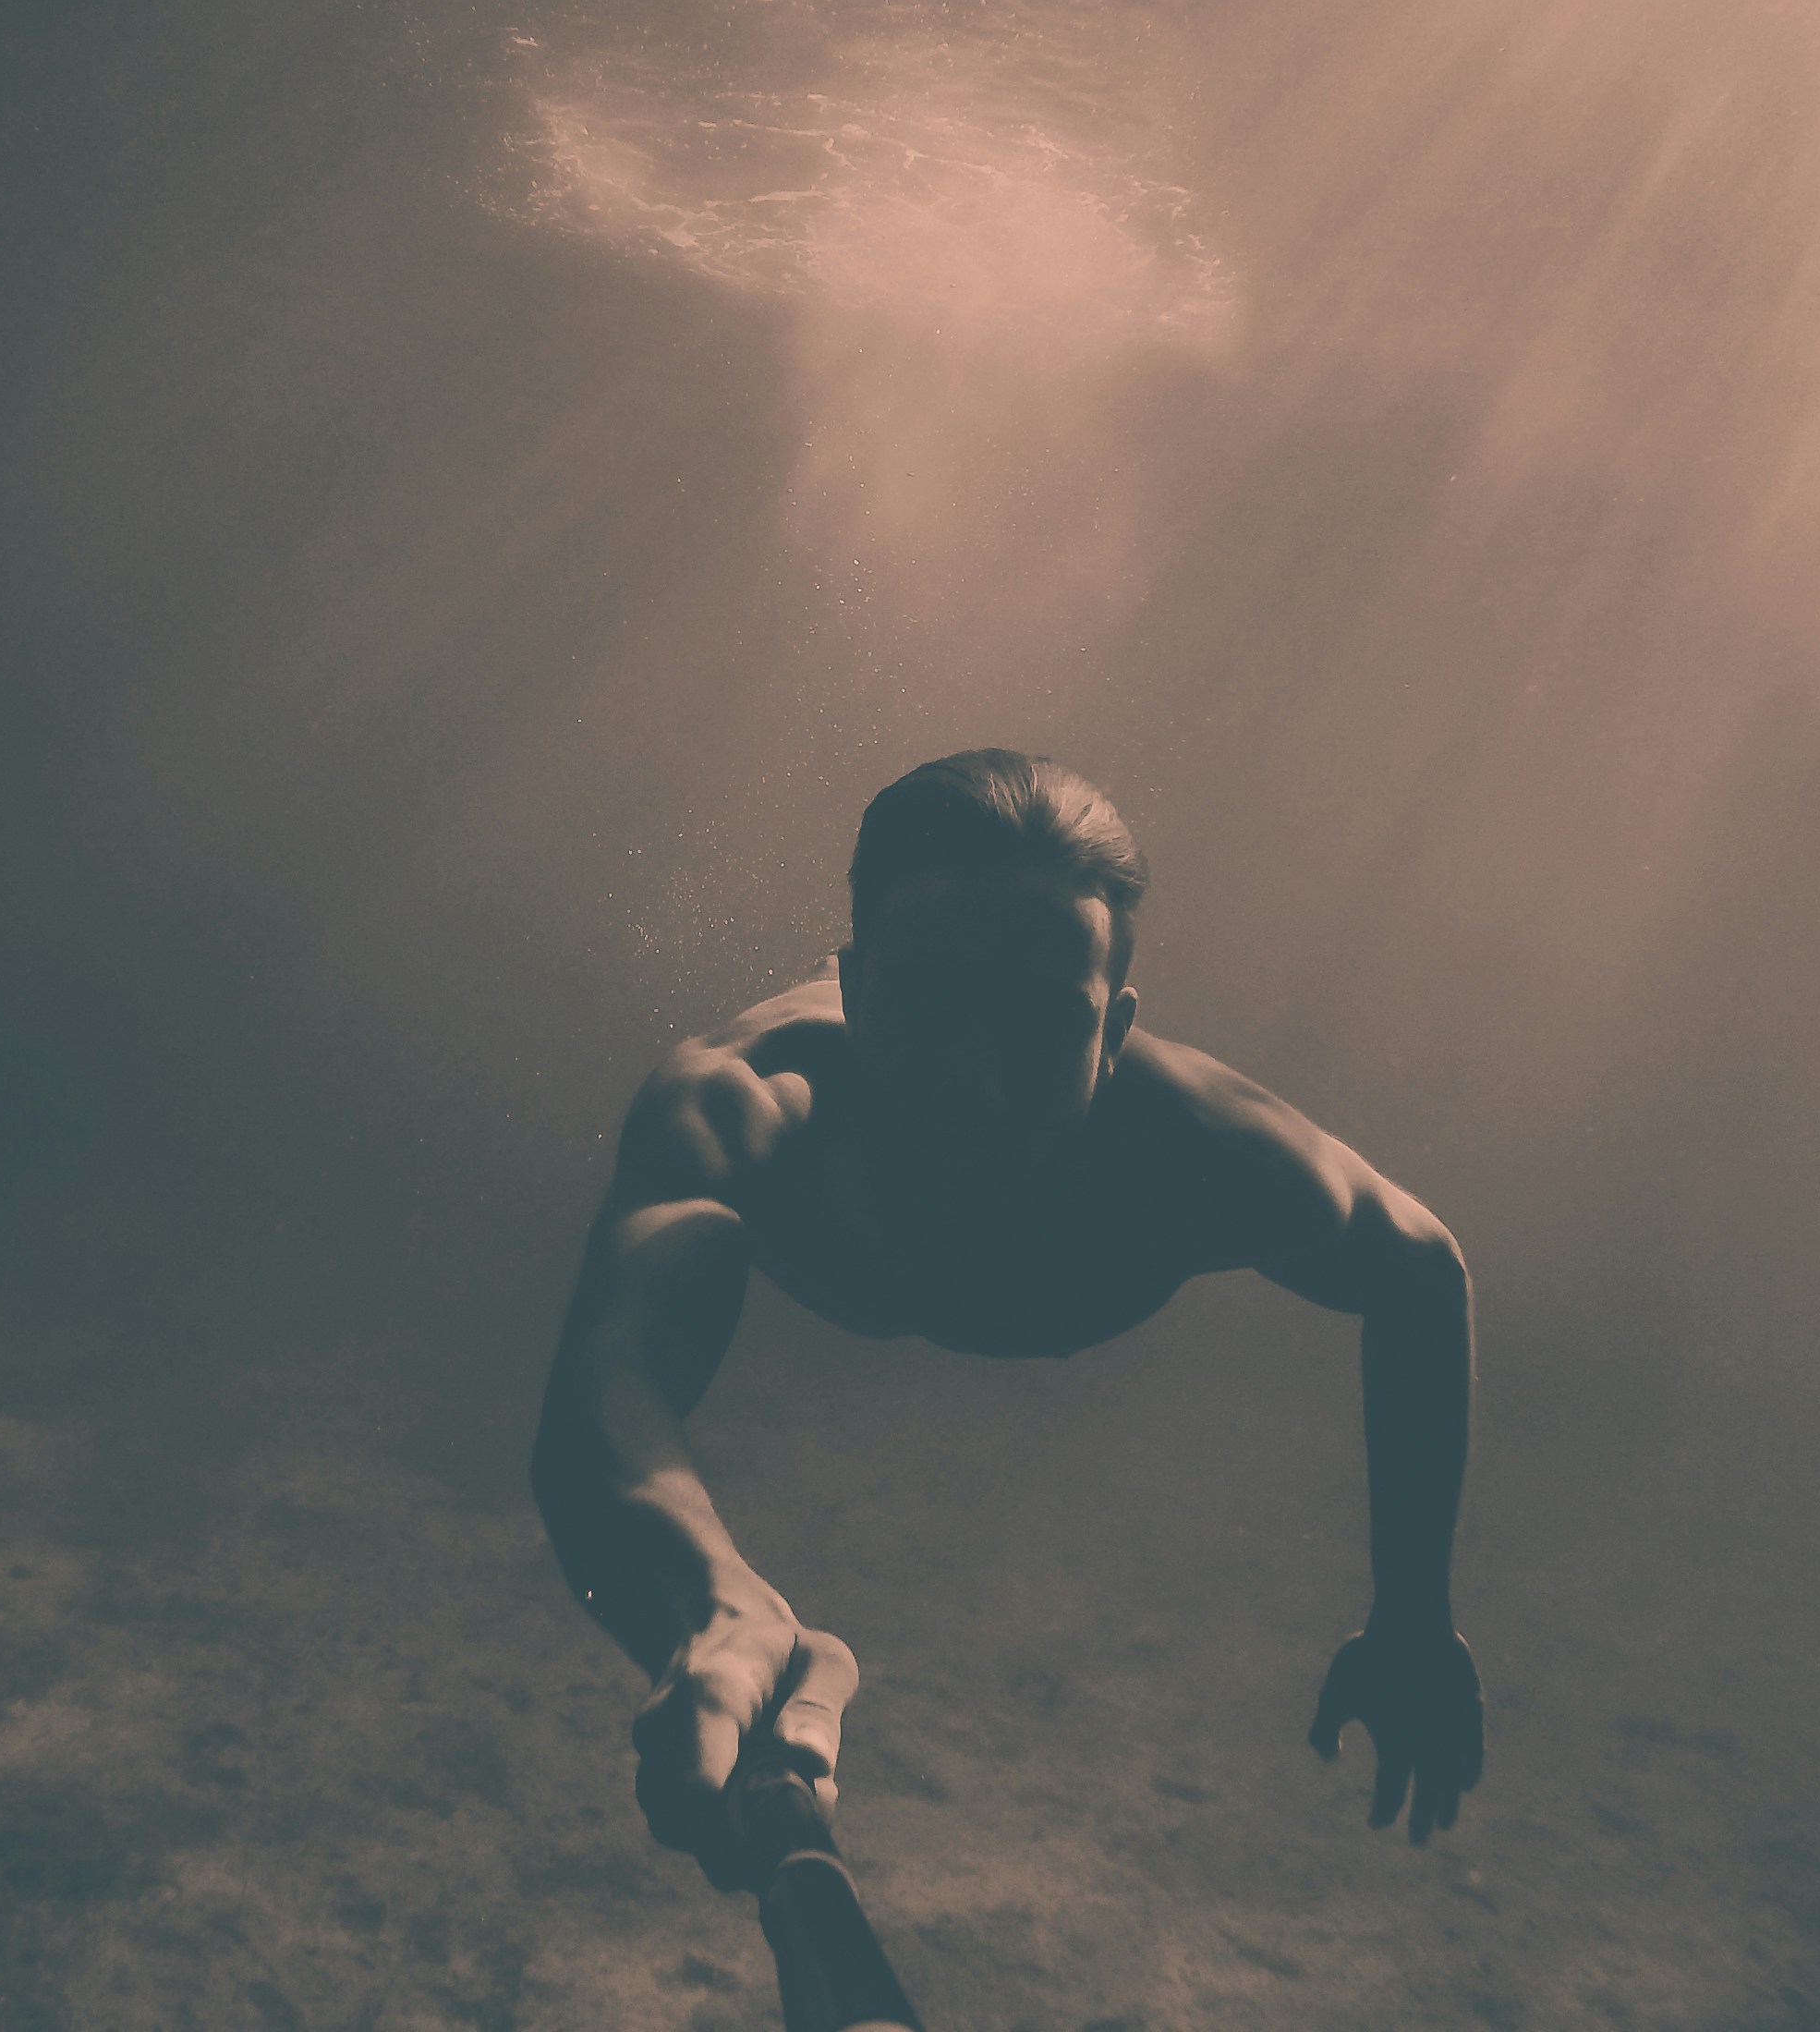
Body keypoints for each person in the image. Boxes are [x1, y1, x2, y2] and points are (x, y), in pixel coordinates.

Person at [530, 750, 1485, 1886]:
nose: (972, 1085)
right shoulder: (747, 1100)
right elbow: (606, 1379)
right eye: (929, 1009)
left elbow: (1421, 1269)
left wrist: (1415, 1615)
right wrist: (716, 1602)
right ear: (851, 986)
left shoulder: (1195, 1150)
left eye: (1039, 1024)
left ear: (1115, 1031)